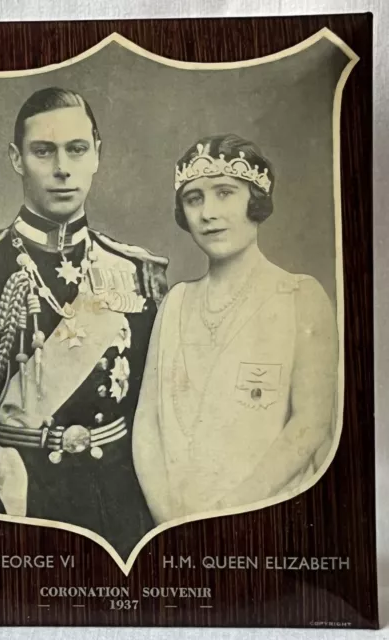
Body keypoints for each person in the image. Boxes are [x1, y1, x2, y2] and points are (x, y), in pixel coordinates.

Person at [0, 87, 168, 558]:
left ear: (97, 155)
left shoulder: (136, 275)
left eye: (77, 149)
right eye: (43, 151)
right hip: (10, 503)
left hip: (116, 507)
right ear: (16, 158)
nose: (62, 168)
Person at [132, 134, 338, 524]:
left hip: (266, 520)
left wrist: (224, 517)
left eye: (224, 193)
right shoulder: (175, 302)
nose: (209, 212)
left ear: (255, 201)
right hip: (176, 522)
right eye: (195, 198)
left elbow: (310, 426)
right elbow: (147, 427)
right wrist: (170, 520)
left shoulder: (299, 297)